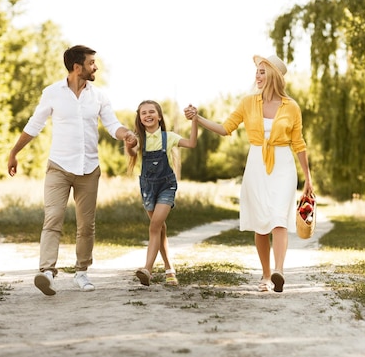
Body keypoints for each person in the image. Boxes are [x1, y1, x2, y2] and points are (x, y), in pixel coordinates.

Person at [7, 45, 137, 296]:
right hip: (59, 166)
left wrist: (127, 135)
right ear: (77, 67)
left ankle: (81, 272)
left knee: (86, 225)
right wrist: (14, 152)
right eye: (91, 63)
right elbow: (35, 124)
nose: (95, 67)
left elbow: (112, 124)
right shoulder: (52, 93)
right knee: (53, 218)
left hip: (89, 168)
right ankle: (46, 272)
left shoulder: (99, 96)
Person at [184, 54, 314, 293]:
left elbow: (299, 143)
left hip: (283, 164)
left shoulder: (291, 107)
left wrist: (308, 177)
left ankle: (279, 271)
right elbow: (225, 128)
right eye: (257, 71)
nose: (258, 75)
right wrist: (198, 118)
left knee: (278, 218)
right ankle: (265, 275)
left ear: (274, 75)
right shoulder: (248, 102)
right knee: (260, 223)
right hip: (256, 164)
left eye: (263, 71)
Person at [125, 100, 198, 287]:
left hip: (166, 186)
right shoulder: (139, 138)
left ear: (159, 116)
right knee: (160, 228)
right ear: (140, 119)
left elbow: (191, 143)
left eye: (151, 112)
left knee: (154, 226)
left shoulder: (169, 136)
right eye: (143, 113)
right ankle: (169, 269)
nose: (148, 115)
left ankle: (147, 270)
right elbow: (132, 154)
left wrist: (195, 120)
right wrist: (128, 144)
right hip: (148, 188)